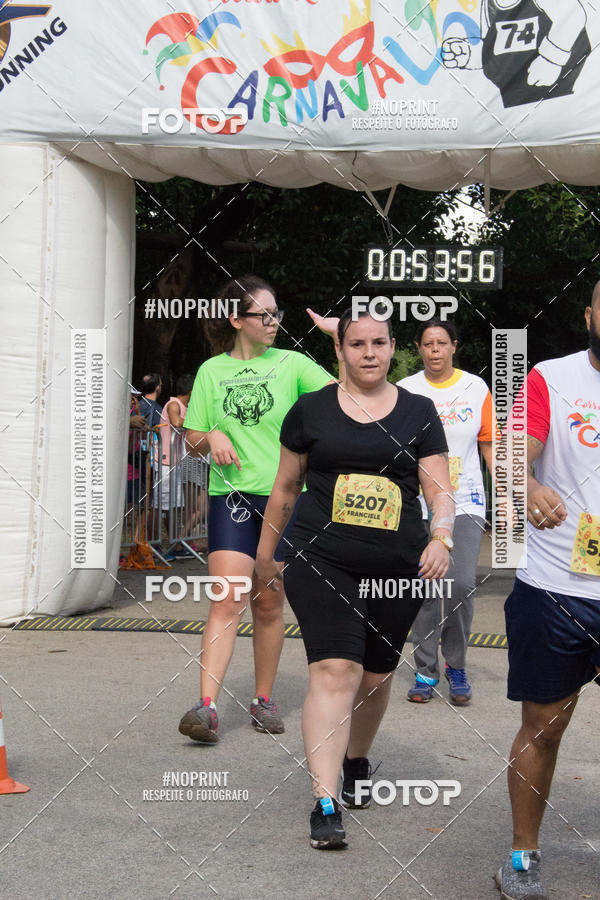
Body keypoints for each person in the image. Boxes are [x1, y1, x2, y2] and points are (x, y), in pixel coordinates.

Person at [255, 309, 454, 850]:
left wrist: (442, 536)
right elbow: (285, 488)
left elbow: (439, 489)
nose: (369, 352)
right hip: (322, 557)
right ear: (339, 351)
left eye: (380, 343)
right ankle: (325, 800)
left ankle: (356, 759)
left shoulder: (419, 411)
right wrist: (265, 556)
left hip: (397, 565)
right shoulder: (309, 411)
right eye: (358, 343)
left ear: (393, 350)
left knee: (373, 677)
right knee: (335, 667)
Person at [178, 275, 336, 743]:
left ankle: (262, 700)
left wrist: (336, 335)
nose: (273, 323)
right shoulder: (211, 372)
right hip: (232, 499)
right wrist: (212, 436)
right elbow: (191, 439)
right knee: (226, 598)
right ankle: (205, 707)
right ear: (235, 320)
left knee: (268, 603)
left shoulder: (293, 364)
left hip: (285, 500)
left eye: (276, 314)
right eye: (262, 315)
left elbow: (349, 392)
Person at [495, 284, 600, 899]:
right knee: (543, 727)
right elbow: (513, 456)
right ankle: (523, 855)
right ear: (588, 315)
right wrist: (528, 486)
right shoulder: (548, 378)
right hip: (557, 588)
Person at [398, 319, 496, 704]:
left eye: (442, 343)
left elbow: (488, 445)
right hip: (418, 504)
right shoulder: (405, 390)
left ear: (454, 346)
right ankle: (425, 671)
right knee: (424, 586)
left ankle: (456, 665)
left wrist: (505, 495)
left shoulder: (476, 387)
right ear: (419, 349)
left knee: (459, 585)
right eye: (427, 343)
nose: (435, 350)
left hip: (466, 501)